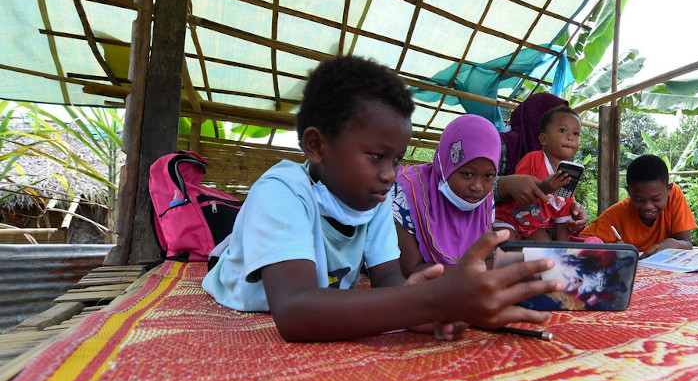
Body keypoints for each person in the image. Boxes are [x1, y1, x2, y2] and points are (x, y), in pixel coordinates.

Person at [202, 55, 561, 342]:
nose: (390, 174)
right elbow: (295, 311)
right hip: (249, 295)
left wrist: (424, 310)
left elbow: (388, 279)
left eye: (397, 160)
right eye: (376, 156)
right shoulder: (281, 190)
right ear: (316, 146)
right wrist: (434, 299)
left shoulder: (372, 200)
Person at [393, 114, 499, 277]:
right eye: (467, 174)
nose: (478, 187)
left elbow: (487, 256)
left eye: (488, 176)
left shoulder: (485, 202)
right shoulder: (406, 195)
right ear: (446, 166)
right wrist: (480, 271)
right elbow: (410, 269)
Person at [496, 92, 588, 235]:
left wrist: (573, 211)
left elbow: (559, 213)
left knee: (545, 248)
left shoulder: (564, 167)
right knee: (505, 244)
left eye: (575, 133)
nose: (569, 137)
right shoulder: (500, 146)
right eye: (562, 129)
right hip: (504, 220)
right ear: (535, 119)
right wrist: (504, 185)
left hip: (534, 227)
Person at [580, 154, 696, 257]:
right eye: (638, 199)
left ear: (669, 189)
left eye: (656, 199)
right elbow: (578, 245)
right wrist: (609, 250)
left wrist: (672, 243)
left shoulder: (674, 196)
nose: (648, 206)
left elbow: (687, 244)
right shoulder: (616, 214)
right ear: (629, 192)